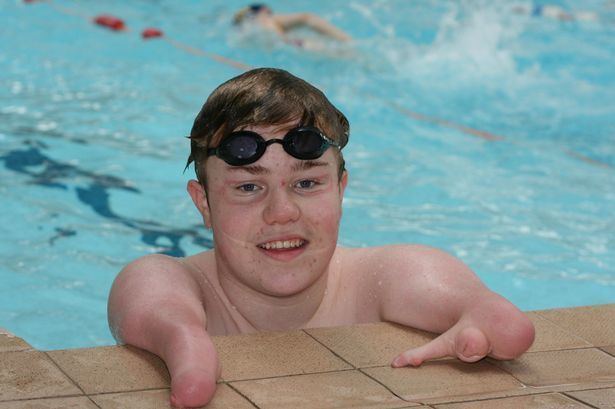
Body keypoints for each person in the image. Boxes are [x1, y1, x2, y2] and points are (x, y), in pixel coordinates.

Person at [108, 68, 535, 408]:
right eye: (248, 187)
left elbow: (500, 321)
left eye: (307, 184)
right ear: (203, 204)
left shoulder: (378, 277)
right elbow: (143, 287)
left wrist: (484, 320)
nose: (282, 213)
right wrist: (180, 338)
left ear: (341, 189)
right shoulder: (192, 288)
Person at [232, 3, 352, 48]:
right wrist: (344, 39)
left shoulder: (254, 34)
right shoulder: (267, 18)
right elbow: (305, 17)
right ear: (264, 10)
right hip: (300, 46)